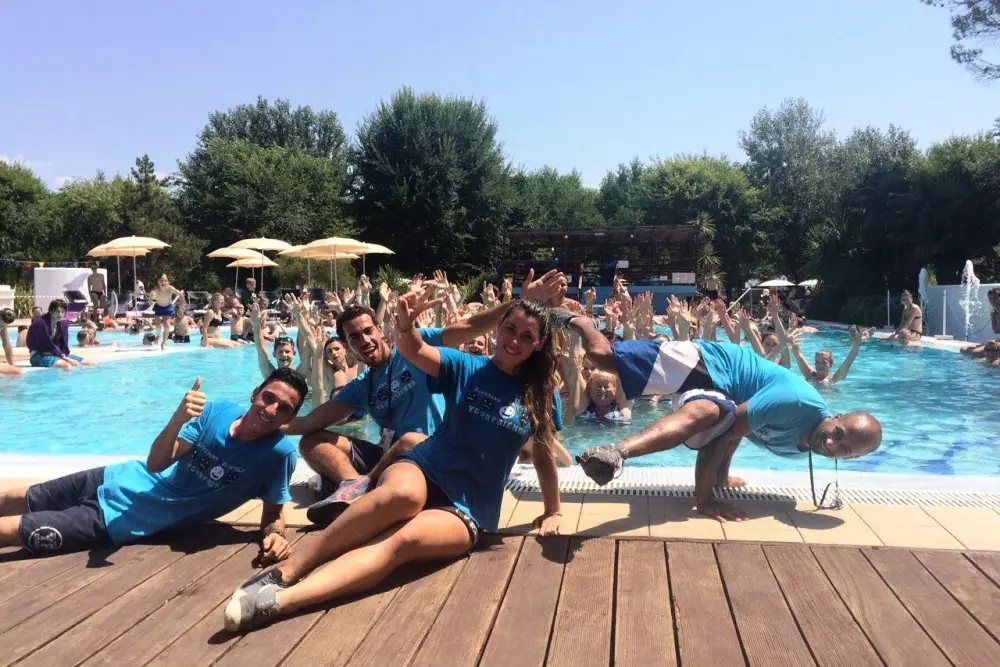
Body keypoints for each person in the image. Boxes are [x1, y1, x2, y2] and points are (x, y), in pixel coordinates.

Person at [223, 297, 565, 632]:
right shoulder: (466, 366)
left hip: (470, 504)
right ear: (499, 328)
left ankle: (280, 602)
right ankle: (285, 572)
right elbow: (415, 349)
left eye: (527, 336)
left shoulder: (542, 394)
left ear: (539, 343)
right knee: (401, 495)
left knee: (403, 541)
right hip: (426, 466)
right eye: (510, 329)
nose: (514, 341)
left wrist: (553, 510)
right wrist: (405, 324)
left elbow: (544, 454)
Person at [285, 269, 564, 525]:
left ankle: (362, 490)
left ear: (380, 329)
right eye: (354, 337)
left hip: (432, 454)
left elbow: (470, 326)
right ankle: (354, 486)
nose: (365, 340)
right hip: (389, 458)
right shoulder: (361, 386)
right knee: (311, 442)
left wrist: (518, 303)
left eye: (368, 331)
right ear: (347, 346)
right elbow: (310, 422)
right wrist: (266, 421)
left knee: (409, 440)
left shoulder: (421, 343)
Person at [555, 310, 882, 521]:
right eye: (838, 433)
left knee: (713, 411)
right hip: (711, 362)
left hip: (721, 396)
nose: (831, 444)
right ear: (836, 416)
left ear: (851, 459)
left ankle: (614, 454)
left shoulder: (803, 447)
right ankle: (582, 322)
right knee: (602, 358)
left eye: (843, 450)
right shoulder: (795, 402)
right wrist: (705, 499)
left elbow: (738, 432)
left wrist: (721, 479)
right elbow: (726, 434)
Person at [0, 368, 308, 559]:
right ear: (255, 393)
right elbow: (157, 464)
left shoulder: (278, 455)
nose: (271, 410)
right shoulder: (218, 411)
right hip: (115, 476)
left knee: (11, 530)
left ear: (291, 418)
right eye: (268, 397)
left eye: (284, 408)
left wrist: (275, 536)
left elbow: (273, 513)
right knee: (19, 497)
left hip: (121, 519)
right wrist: (177, 419)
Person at [790, 325, 873, 385]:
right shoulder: (809, 374)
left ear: (831, 364)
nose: (820, 365)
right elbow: (798, 354)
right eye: (817, 362)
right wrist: (792, 335)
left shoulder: (834, 378)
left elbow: (849, 359)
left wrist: (857, 342)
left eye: (824, 362)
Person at [26, 299, 96, 369]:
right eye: (57, 311)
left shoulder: (63, 324)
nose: (60, 314)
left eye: (62, 312)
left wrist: (65, 356)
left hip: (57, 353)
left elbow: (64, 346)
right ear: (51, 311)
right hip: (38, 354)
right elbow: (48, 346)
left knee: (90, 363)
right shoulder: (41, 323)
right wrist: (67, 359)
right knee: (66, 366)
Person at [150, 274, 183, 351]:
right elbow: (152, 302)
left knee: (167, 325)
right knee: (157, 324)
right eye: (161, 280)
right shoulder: (155, 290)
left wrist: (180, 295)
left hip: (168, 307)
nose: (163, 282)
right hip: (158, 306)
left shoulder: (170, 288)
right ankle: (158, 335)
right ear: (158, 282)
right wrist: (152, 298)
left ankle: (164, 342)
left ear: (168, 282)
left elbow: (179, 294)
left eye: (165, 281)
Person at [0, 309, 22, 376]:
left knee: (16, 371)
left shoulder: (3, 325)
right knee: (16, 371)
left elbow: (7, 345)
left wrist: (11, 365)